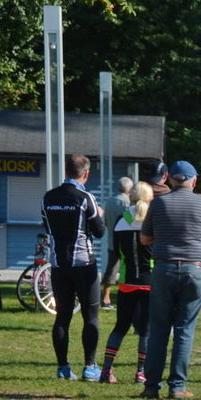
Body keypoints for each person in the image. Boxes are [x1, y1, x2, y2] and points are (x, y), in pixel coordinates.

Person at [138, 160, 201, 399]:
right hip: (194, 270)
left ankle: (151, 386)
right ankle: (177, 387)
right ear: (194, 181)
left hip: (163, 269)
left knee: (159, 329)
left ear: (170, 179)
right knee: (184, 330)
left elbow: (144, 239)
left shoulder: (158, 203)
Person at [40, 153, 108, 381]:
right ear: (86, 174)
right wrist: (100, 215)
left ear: (66, 171)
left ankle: (63, 368)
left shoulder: (48, 197)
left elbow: (47, 225)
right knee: (91, 317)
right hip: (83, 263)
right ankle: (90, 367)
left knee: (62, 317)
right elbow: (99, 231)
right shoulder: (86, 198)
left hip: (59, 264)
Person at [101, 180, 154, 384]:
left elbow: (116, 250)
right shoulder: (152, 220)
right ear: (150, 198)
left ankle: (106, 371)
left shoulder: (121, 220)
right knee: (147, 330)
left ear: (130, 197)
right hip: (149, 280)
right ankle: (141, 372)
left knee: (120, 327)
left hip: (126, 281)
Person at [100, 174, 133, 308]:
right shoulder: (127, 203)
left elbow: (106, 222)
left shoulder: (109, 202)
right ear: (129, 189)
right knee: (129, 269)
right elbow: (131, 222)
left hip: (112, 241)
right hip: (126, 242)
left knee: (111, 269)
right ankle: (127, 296)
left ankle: (106, 299)